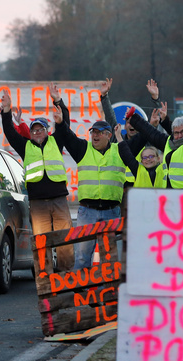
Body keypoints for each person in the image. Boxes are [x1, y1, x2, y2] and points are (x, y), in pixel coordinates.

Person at [0, 86, 73, 275]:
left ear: (48, 131)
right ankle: (45, 278)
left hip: (59, 200)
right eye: (34, 129)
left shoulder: (56, 141)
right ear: (30, 133)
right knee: (42, 242)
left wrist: (58, 101)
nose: (37, 132)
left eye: (41, 129)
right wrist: (6, 111)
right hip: (38, 203)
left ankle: (66, 275)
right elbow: (9, 131)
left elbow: (64, 122)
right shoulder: (25, 147)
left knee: (65, 240)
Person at [52, 106, 125, 270]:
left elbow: (141, 141)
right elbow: (68, 136)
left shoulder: (119, 150)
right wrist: (61, 122)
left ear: (109, 135)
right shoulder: (83, 149)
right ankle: (81, 290)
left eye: (99, 132)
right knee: (83, 255)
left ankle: (109, 290)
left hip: (111, 211)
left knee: (109, 256)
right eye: (93, 132)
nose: (95, 135)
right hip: (87, 211)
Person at [127, 88, 183, 189]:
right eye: (176, 133)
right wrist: (133, 118)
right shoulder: (170, 143)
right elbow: (151, 133)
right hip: (174, 197)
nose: (179, 136)